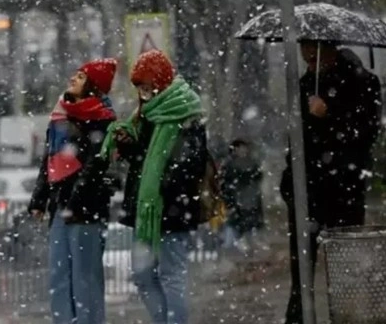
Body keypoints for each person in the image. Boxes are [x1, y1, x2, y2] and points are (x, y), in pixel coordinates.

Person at [100, 49, 207, 324]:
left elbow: (191, 164)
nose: (143, 93)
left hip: (171, 209)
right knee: (142, 274)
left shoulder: (185, 112)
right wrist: (128, 145)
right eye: (139, 88)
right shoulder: (147, 114)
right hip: (146, 211)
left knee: (172, 275)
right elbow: (143, 159)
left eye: (147, 86)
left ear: (159, 81)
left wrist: (163, 184)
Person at [281, 40, 382, 324]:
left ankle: (348, 317)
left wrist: (329, 116)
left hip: (343, 187)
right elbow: (297, 139)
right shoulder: (303, 85)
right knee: (301, 270)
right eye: (304, 47)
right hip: (306, 190)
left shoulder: (362, 83)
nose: (307, 54)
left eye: (314, 48)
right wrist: (289, 181)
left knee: (345, 266)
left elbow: (365, 133)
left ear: (330, 48)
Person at [28, 58, 118, 324]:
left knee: (85, 278)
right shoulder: (60, 115)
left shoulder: (102, 120)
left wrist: (76, 201)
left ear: (93, 86)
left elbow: (95, 165)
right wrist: (39, 199)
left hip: (87, 209)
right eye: (75, 74)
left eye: (80, 77)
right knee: (59, 275)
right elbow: (49, 160)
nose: (73, 79)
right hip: (60, 206)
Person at [220, 138, 264, 254]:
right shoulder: (230, 165)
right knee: (237, 227)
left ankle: (247, 248)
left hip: (250, 200)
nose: (243, 151)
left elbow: (257, 177)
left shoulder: (251, 163)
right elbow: (227, 184)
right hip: (238, 201)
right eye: (240, 148)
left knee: (248, 226)